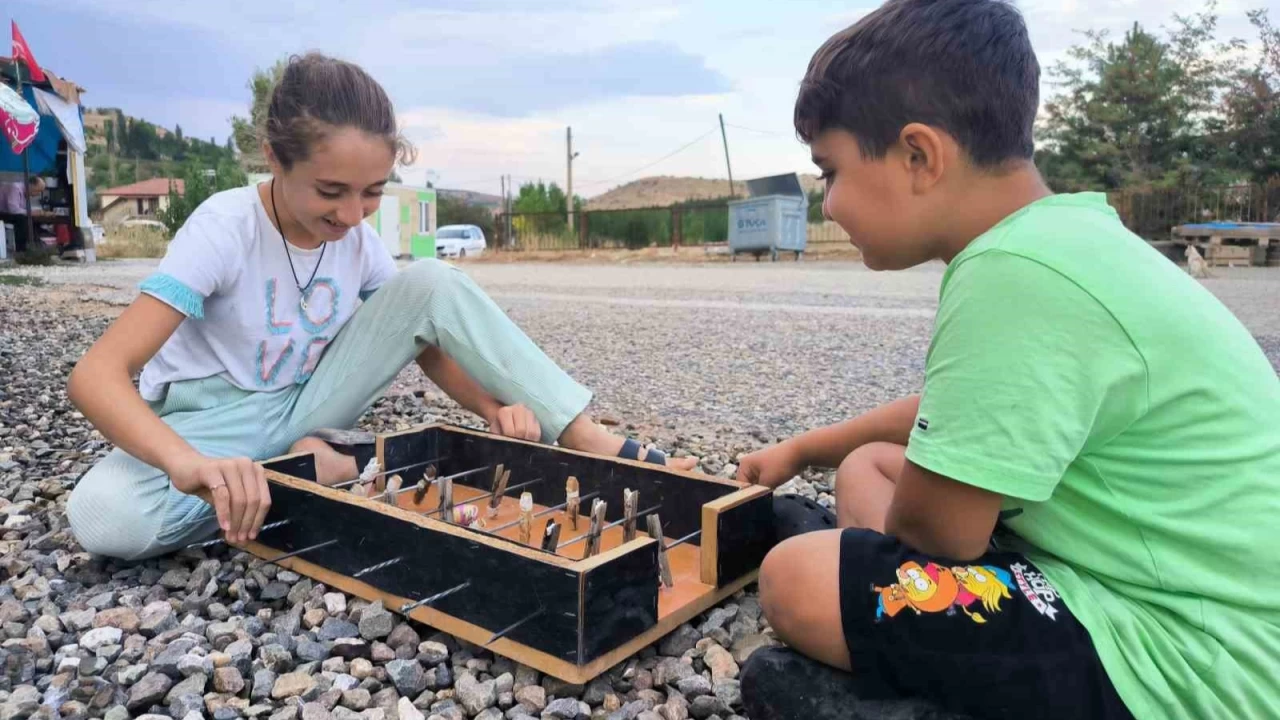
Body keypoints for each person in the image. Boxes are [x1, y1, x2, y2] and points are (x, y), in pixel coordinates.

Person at [734, 2, 1280, 720]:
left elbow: (939, 534)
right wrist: (806, 449)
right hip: (1145, 577)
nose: (827, 205)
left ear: (919, 156)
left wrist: (866, 552)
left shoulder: (1011, 271)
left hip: (1185, 653)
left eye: (828, 172)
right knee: (866, 464)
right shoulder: (1061, 240)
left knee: (794, 579)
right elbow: (963, 419)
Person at [65, 52, 693, 562]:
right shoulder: (224, 227)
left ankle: (586, 436)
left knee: (430, 280)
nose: (348, 214)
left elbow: (420, 327)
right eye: (330, 191)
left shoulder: (358, 240)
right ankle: (316, 471)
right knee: (105, 519)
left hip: (305, 401)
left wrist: (490, 407)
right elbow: (96, 376)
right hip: (212, 423)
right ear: (275, 156)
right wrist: (189, 464)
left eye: (371, 193)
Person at [0, 175, 46, 253]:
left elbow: (21, 210)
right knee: (22, 219)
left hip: (8, 213)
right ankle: (21, 250)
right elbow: (13, 210)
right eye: (38, 190)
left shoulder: (25, 193)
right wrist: (31, 213)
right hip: (2, 212)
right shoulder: (15, 188)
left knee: (33, 220)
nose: (38, 194)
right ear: (30, 185)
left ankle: (35, 243)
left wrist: (38, 212)